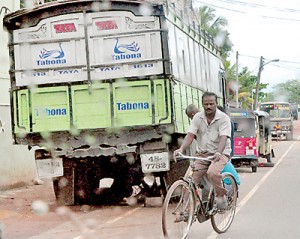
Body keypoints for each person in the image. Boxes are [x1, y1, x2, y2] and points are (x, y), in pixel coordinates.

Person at [174, 92, 231, 210]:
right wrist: (181, 148)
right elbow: (190, 135)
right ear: (202, 105)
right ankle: (187, 210)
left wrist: (219, 152)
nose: (208, 106)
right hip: (202, 154)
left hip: (220, 153)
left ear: (216, 104)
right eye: (206, 104)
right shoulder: (197, 117)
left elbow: (223, 138)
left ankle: (221, 195)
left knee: (212, 173)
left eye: (211, 104)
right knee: (188, 180)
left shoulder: (224, 119)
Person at [186, 104, 241, 186]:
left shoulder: (222, 122)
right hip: (211, 155)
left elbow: (223, 139)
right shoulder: (200, 121)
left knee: (211, 176)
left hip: (218, 154)